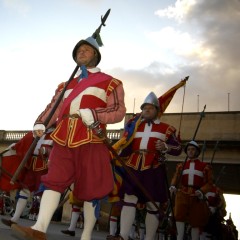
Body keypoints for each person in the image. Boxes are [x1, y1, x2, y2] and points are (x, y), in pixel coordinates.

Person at [11, 31, 126, 240]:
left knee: (91, 189)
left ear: (96, 55)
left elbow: (118, 111)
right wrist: (41, 122)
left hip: (91, 138)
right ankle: (39, 229)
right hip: (62, 138)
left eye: (86, 49)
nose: (81, 52)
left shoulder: (110, 82)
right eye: (78, 50)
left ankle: (86, 235)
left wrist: (93, 114)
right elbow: (53, 108)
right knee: (53, 181)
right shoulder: (65, 85)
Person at [112, 92, 182, 240]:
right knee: (129, 198)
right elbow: (125, 145)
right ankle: (123, 236)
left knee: (153, 203)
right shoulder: (134, 127)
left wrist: (165, 146)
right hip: (133, 166)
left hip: (153, 167)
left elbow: (178, 149)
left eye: (150, 108)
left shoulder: (167, 128)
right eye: (145, 108)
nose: (147, 110)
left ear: (157, 110)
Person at [1, 126, 54, 227]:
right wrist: (14, 146)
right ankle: (14, 219)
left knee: (43, 195)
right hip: (30, 165)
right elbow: (23, 144)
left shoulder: (53, 135)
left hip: (42, 167)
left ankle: (40, 223)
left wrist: (45, 151)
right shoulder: (33, 133)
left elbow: (56, 150)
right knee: (24, 191)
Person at [169, 140, 213, 240]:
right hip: (182, 194)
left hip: (196, 196)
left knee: (195, 221)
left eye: (193, 149)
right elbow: (175, 177)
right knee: (179, 217)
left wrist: (201, 191)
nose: (190, 151)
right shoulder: (181, 165)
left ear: (197, 151)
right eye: (188, 149)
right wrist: (172, 185)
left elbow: (209, 183)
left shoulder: (205, 167)